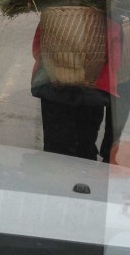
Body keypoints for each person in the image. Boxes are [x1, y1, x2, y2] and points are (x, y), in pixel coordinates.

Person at [31, 12, 123, 161]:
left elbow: (37, 49)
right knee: (85, 146)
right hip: (93, 93)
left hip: (54, 90)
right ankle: (83, 179)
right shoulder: (109, 20)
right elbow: (116, 61)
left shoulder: (53, 15)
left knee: (55, 149)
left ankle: (54, 179)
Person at [99, 13, 130, 164]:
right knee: (117, 120)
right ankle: (108, 154)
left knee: (91, 118)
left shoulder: (96, 13)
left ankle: (86, 152)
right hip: (123, 80)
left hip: (98, 77)